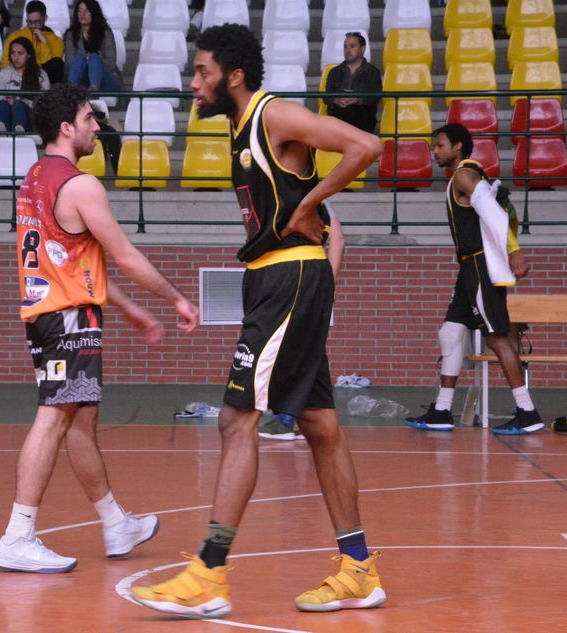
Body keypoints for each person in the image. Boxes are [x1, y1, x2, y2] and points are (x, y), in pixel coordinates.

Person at [129, 24, 385, 618]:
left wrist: (309, 205)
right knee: (320, 423)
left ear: (234, 76)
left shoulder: (273, 116)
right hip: (277, 279)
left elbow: (366, 147)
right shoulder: (240, 127)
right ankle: (358, 570)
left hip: (287, 279)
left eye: (202, 72)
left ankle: (209, 573)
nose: (194, 83)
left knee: (236, 419)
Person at [0, 82, 201, 574]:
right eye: (89, 118)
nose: (96, 126)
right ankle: (17, 535)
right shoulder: (80, 184)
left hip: (51, 313)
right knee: (54, 417)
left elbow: (73, 261)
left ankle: (115, 523)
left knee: (79, 420)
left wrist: (127, 308)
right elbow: (123, 254)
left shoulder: (34, 178)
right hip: (67, 318)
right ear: (67, 127)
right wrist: (175, 297)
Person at [404, 123, 544, 436]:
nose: (435, 151)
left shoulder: (464, 175)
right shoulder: (469, 175)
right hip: (468, 269)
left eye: (440, 145)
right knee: (451, 333)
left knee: (496, 337)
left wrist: (515, 251)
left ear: (458, 147)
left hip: (479, 266)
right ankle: (442, 410)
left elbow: (494, 213)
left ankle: (527, 411)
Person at [259, 204, 344, 441]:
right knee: (307, 349)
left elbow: (337, 239)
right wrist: (329, 281)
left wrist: (328, 282)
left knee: (291, 348)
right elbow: (338, 239)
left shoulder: (300, 196)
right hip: (306, 279)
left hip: (294, 278)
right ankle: (298, 417)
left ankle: (286, 418)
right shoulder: (310, 196)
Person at [322, 32, 382, 134]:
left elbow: (375, 98)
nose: (347, 50)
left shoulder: (373, 72)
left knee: (353, 110)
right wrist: (336, 100)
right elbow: (326, 97)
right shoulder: (334, 72)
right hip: (339, 116)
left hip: (362, 120)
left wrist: (357, 100)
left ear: (362, 49)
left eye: (352, 46)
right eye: (345, 46)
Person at [0, 36, 49, 132]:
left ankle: (18, 132)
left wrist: (23, 102)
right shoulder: (4, 73)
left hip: (31, 119)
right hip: (8, 115)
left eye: (20, 53)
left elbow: (45, 104)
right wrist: (7, 102)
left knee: (18, 104)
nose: (16, 57)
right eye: (13, 53)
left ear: (29, 55)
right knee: (2, 104)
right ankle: (1, 132)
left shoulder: (41, 74)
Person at [64, 0, 122, 93]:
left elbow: (111, 64)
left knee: (94, 57)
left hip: (104, 79)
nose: (82, 14)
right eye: (80, 11)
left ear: (94, 13)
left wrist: (92, 61)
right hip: (81, 80)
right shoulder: (71, 34)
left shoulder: (105, 32)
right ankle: (71, 91)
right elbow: (69, 63)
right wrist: (86, 59)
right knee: (79, 58)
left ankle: (94, 90)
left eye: (87, 11)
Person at [1, 0, 65, 84]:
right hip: (17, 79)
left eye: (37, 22)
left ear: (45, 18)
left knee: (57, 63)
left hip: (43, 81)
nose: (33, 25)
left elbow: (51, 69)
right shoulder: (14, 37)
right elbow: (5, 64)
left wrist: (44, 43)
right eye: (30, 22)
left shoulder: (57, 41)